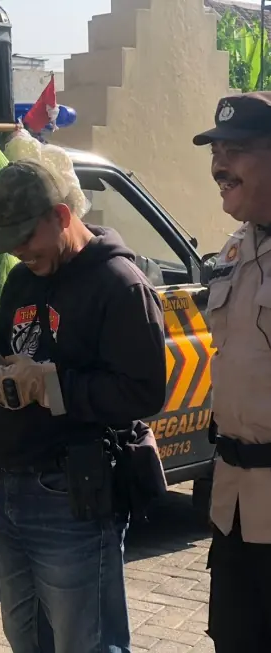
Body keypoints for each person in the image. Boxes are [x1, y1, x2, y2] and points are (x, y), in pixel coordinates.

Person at [0, 158, 167, 653]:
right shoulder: (22, 279)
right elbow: (3, 343)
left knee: (86, 642)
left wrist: (50, 386)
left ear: (59, 215)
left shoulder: (120, 284)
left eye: (25, 237)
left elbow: (144, 393)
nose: (17, 251)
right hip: (14, 482)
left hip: (74, 494)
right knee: (26, 637)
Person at [193, 92, 271, 653]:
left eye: (236, 151)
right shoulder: (237, 248)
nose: (219, 166)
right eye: (215, 151)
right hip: (236, 508)